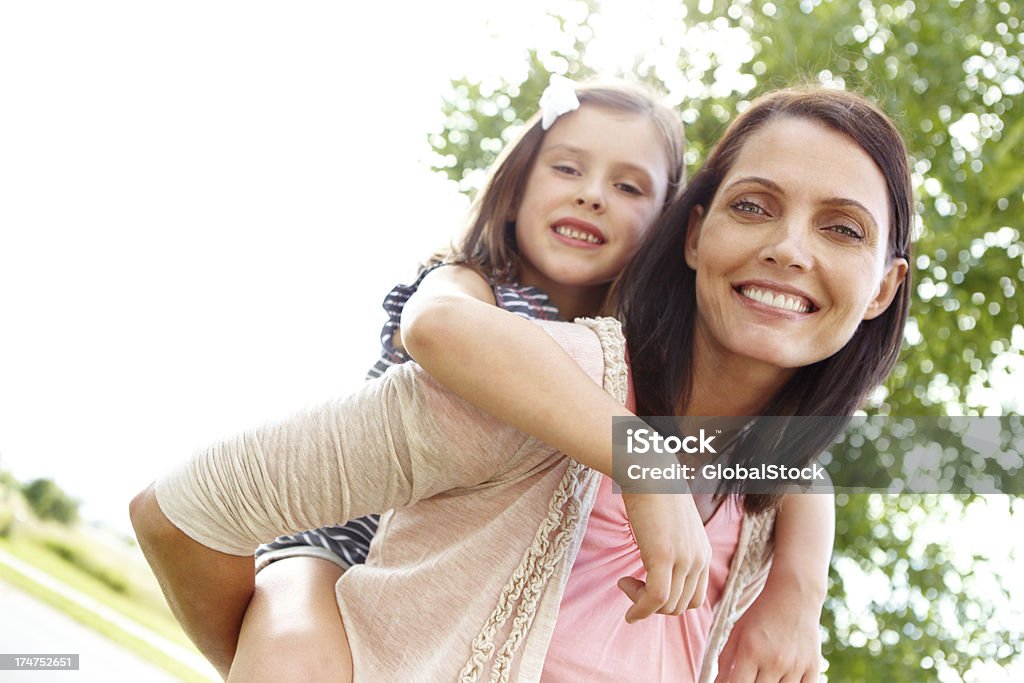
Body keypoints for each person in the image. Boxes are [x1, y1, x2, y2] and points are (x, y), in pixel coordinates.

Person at [130, 84, 912, 683]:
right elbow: (180, 511)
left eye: (843, 227)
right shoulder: (532, 358)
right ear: (697, 235)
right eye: (754, 206)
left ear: (884, 288)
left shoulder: (766, 499)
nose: (787, 247)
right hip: (331, 543)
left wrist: (800, 590)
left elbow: (800, 467)